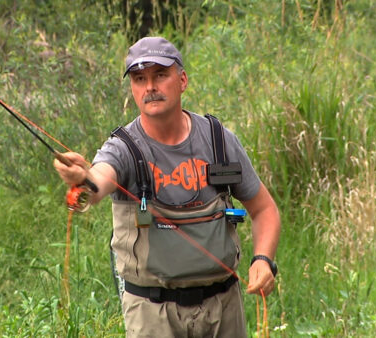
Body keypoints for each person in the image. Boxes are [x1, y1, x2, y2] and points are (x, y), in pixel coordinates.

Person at [54, 36, 281, 337]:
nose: (150, 87)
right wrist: (82, 178)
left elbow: (264, 209)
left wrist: (263, 260)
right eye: (139, 78)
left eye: (160, 75)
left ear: (182, 80)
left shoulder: (218, 140)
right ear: (133, 88)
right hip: (152, 312)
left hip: (223, 307)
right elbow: (98, 181)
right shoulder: (122, 148)